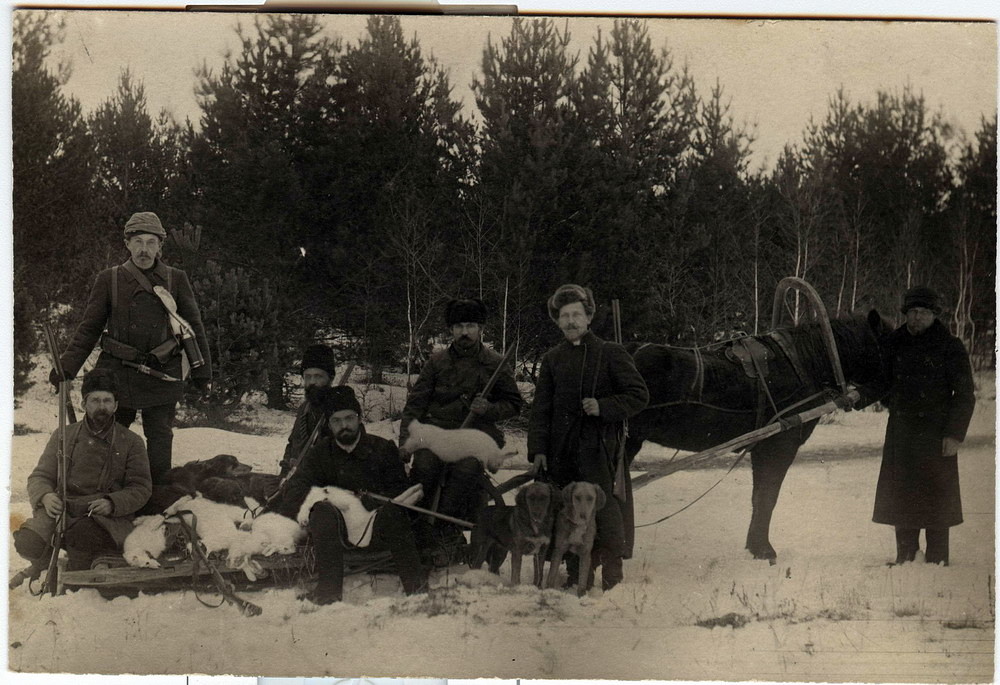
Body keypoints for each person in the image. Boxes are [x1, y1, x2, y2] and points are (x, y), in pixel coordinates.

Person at [51, 212, 212, 484]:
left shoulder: (175, 279)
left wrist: (202, 372)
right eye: (138, 242)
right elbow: (89, 328)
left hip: (161, 373)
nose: (144, 249)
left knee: (160, 438)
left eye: (151, 242)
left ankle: (157, 493)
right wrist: (66, 367)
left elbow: (193, 327)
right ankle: (106, 491)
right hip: (118, 372)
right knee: (109, 437)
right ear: (127, 244)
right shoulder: (110, 279)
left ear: (160, 246)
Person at [528, 284, 649, 591]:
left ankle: (612, 574)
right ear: (557, 321)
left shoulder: (610, 353)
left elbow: (638, 395)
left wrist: (604, 406)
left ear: (589, 317)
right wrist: (538, 449)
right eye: (565, 316)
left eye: (576, 314)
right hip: (561, 450)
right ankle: (576, 572)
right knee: (568, 510)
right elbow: (541, 409)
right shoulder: (552, 359)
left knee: (606, 512)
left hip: (599, 449)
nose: (571, 321)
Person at [269, 386, 427, 605]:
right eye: (336, 420)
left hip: (377, 525)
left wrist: (373, 500)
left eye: (349, 418)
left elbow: (400, 489)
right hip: (336, 533)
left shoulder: (382, 448)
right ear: (329, 424)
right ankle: (328, 593)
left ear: (359, 418)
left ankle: (417, 591)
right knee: (321, 511)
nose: (344, 425)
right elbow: (298, 487)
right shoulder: (320, 454)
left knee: (395, 512)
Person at [400, 298, 524, 535]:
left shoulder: (495, 363)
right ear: (451, 330)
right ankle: (416, 529)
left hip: (476, 437)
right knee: (424, 467)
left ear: (480, 328)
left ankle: (446, 531)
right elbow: (415, 406)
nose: (464, 332)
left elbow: (514, 404)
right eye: (458, 326)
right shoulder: (436, 363)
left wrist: (488, 408)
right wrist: (405, 444)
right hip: (438, 435)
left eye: (470, 325)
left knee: (466, 470)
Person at [13, 369, 152, 577]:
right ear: (83, 404)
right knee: (27, 541)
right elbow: (40, 476)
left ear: (115, 405)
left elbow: (141, 487)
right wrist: (45, 496)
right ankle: (45, 566)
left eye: (107, 401)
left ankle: (79, 571)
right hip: (63, 511)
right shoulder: (63, 435)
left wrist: (112, 503)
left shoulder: (132, 442)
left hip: (104, 518)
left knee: (81, 538)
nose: (102, 406)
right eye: (95, 400)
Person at [872, 286, 976, 566]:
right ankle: (906, 556)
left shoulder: (950, 346)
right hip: (902, 434)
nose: (917, 317)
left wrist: (954, 434)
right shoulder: (893, 344)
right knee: (902, 495)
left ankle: (937, 559)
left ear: (934, 315)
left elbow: (964, 395)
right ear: (906, 314)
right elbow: (882, 384)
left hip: (936, 435)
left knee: (936, 498)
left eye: (924, 312)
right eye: (913, 312)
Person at [278, 344, 337, 477]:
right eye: (308, 376)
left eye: (318, 376)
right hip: (296, 479)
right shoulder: (304, 408)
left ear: (331, 378)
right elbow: (293, 443)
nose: (312, 382)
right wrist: (286, 469)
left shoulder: (338, 410)